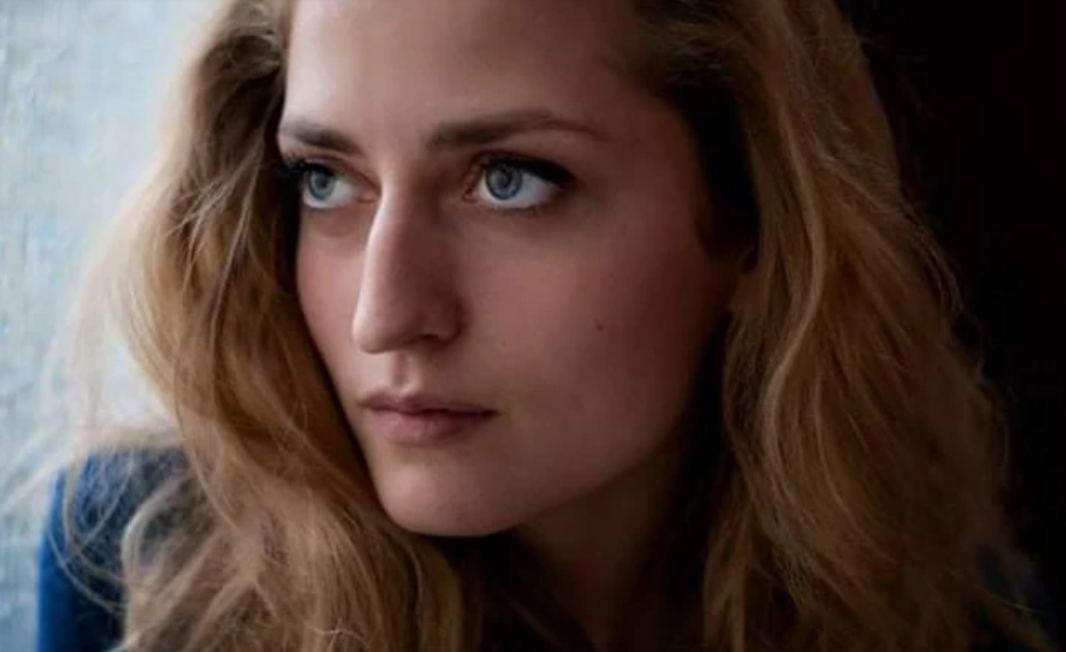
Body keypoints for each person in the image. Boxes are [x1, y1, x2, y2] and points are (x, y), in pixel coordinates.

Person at [29, 0, 1059, 650]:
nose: (385, 315)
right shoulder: (145, 571)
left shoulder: (951, 622)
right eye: (327, 179)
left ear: (752, 220)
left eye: (509, 181)